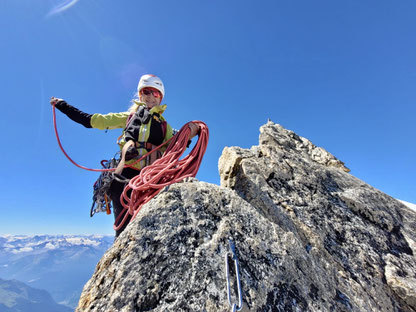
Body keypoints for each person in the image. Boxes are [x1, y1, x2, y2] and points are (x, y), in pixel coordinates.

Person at [50, 74, 199, 236]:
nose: (150, 96)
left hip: (150, 180)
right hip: (123, 178)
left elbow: (176, 146)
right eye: (146, 92)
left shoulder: (165, 127)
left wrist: (191, 131)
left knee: (146, 230)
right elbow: (91, 121)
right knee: (123, 230)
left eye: (155, 93)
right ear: (140, 95)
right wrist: (62, 105)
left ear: (160, 98)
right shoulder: (127, 118)